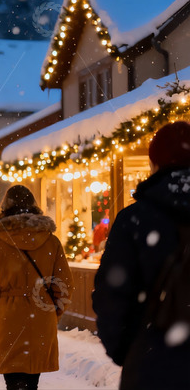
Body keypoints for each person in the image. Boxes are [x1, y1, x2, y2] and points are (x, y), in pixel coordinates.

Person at [93, 121, 190, 389]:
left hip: (154, 366)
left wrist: (131, 351)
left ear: (155, 163)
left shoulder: (134, 219)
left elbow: (110, 295)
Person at [0, 185, 72, 390]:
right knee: (32, 382)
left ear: (4, 208)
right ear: (34, 206)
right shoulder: (50, 241)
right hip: (41, 317)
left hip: (7, 320)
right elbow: (64, 286)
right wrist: (53, 311)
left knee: (14, 383)